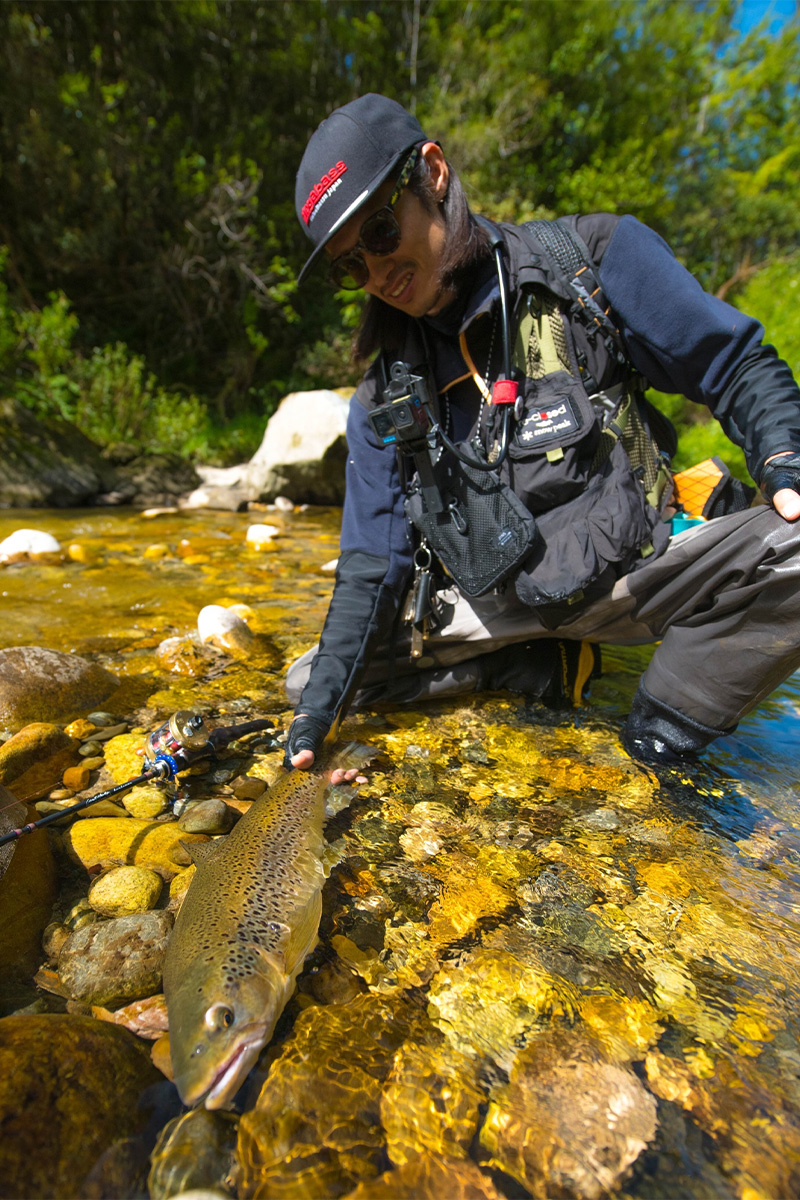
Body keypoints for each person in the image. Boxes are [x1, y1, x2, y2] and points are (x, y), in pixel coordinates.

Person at [283, 92, 800, 774]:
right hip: (502, 603)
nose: (378, 275)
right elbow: (373, 568)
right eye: (350, 266)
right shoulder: (383, 395)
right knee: (312, 684)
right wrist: (314, 725)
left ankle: (661, 734)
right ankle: (537, 668)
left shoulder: (589, 262)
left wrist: (784, 459)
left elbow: (733, 365)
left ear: (432, 173)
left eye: (379, 232)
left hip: (636, 575)